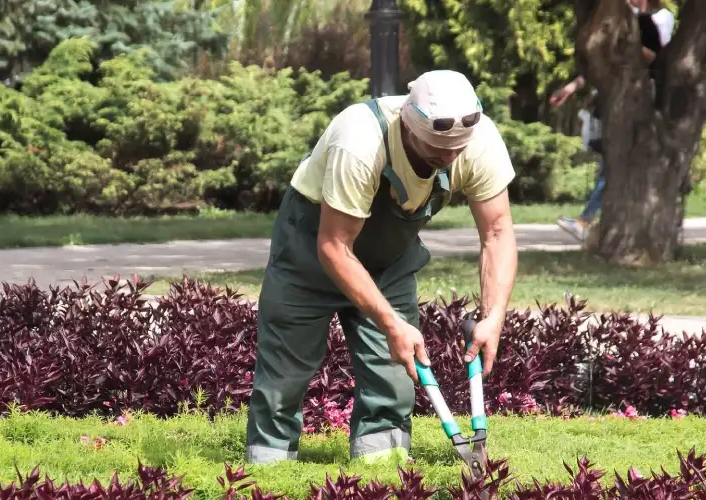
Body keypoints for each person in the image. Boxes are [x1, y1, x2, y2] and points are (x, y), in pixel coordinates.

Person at [244, 70, 518, 465]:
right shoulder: (360, 140)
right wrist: (391, 323)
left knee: (393, 378)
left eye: (457, 151)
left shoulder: (478, 140)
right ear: (408, 124)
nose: (450, 158)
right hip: (311, 251)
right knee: (285, 374)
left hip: (389, 261)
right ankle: (269, 476)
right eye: (437, 150)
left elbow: (497, 232)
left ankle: (381, 477)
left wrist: (493, 316)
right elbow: (334, 246)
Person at [551, 0, 676, 243]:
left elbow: (654, 55)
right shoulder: (626, 18)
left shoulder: (660, 19)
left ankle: (587, 221)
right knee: (611, 163)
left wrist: (630, 36)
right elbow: (603, 64)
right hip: (616, 102)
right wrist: (571, 87)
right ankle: (592, 222)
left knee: (613, 165)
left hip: (641, 100)